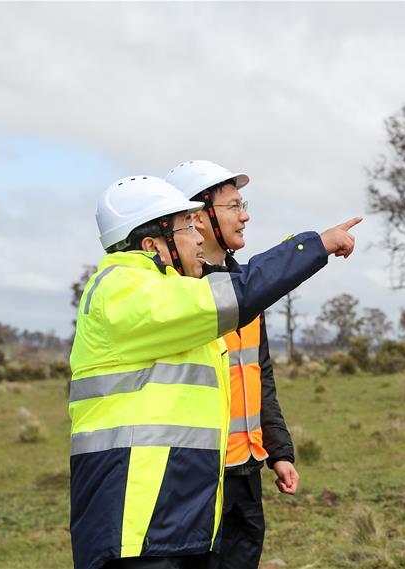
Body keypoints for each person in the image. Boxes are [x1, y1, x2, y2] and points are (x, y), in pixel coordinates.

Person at [70, 175, 360, 569]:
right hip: (134, 521)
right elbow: (238, 293)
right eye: (186, 228)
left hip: (169, 517)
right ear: (152, 244)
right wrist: (315, 245)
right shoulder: (126, 288)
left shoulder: (166, 292)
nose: (196, 237)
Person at [164, 160, 296, 568]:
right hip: (197, 478)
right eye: (234, 205)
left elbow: (260, 375)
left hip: (247, 472)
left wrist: (279, 451)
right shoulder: (178, 294)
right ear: (197, 217)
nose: (245, 215)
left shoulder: (246, 291)